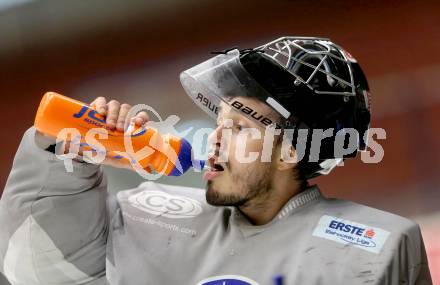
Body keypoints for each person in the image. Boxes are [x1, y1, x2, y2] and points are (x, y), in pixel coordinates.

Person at [0, 37, 432, 285]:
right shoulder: (150, 211)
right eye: (218, 122)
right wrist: (66, 155)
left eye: (240, 128)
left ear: (293, 150)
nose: (215, 139)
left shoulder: (376, 249)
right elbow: (36, 271)